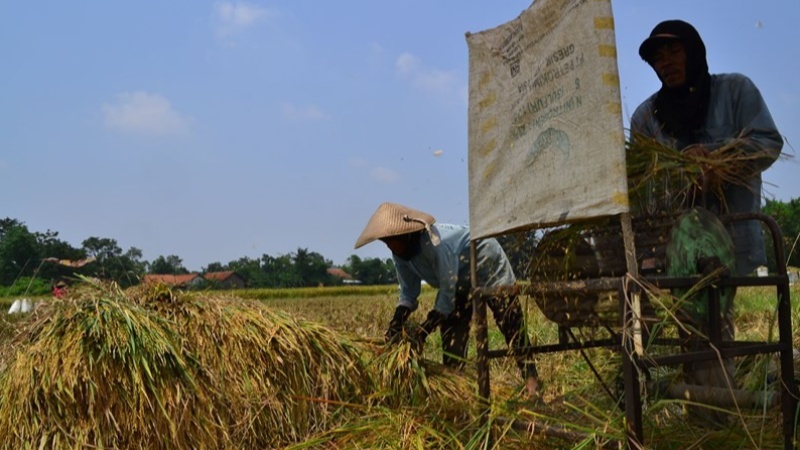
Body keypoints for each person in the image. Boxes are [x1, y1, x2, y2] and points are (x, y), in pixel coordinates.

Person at [630, 19, 783, 425]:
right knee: (695, 327)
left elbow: (769, 143)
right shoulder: (647, 117)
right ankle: (711, 415)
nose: (666, 63)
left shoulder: (736, 91)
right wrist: (675, 178)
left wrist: (721, 162)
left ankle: (714, 417)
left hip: (731, 235)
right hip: (675, 246)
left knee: (711, 324)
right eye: (657, 58)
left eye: (674, 52)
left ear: (694, 52)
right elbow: (640, 184)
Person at [355, 202, 539, 398]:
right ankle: (457, 387)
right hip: (459, 280)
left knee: (510, 323)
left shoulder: (434, 245)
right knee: (452, 331)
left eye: (391, 240)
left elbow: (446, 289)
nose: (390, 246)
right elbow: (408, 292)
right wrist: (397, 321)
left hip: (487, 263)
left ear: (404, 234)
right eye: (385, 242)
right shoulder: (400, 254)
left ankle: (532, 384)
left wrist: (425, 329)